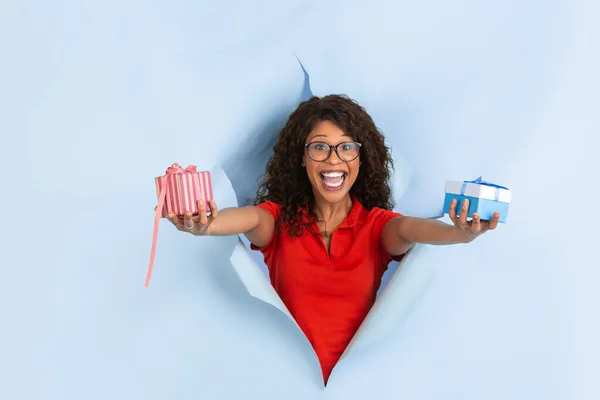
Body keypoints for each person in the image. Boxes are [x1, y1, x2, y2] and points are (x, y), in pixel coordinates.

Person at [164, 94, 500, 384]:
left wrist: (459, 233)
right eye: (320, 147)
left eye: (346, 148)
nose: (334, 159)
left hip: (359, 386)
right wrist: (203, 225)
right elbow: (244, 218)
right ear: (302, 156)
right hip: (282, 383)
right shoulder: (277, 221)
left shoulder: (378, 226)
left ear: (360, 157)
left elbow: (416, 229)